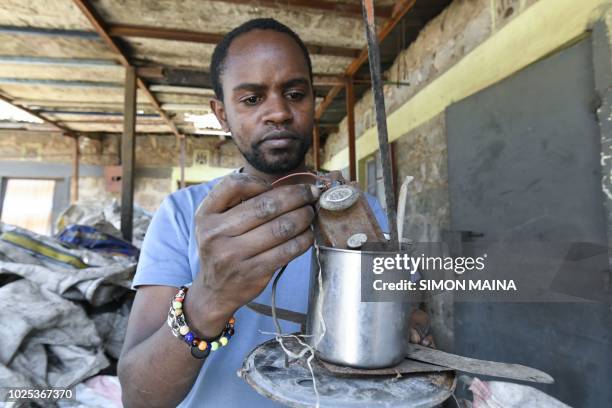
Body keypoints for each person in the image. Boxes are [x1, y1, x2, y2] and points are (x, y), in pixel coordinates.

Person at [117, 18, 426, 408]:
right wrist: (208, 299)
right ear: (221, 114)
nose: (278, 112)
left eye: (295, 93)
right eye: (251, 99)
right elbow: (139, 397)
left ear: (312, 99)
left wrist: (410, 325)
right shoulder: (184, 215)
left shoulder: (365, 212)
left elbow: (408, 318)